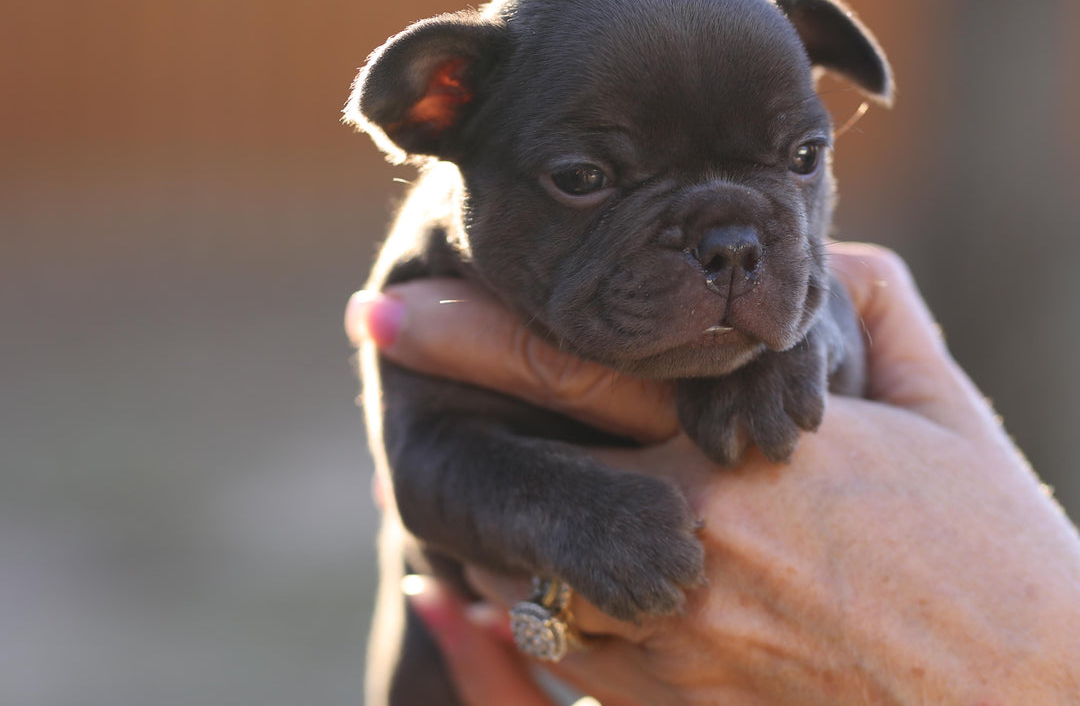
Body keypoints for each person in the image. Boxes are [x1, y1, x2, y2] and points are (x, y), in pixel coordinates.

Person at [345, 243, 1080, 705]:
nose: (726, 249)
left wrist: (802, 336)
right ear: (441, 104)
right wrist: (582, 518)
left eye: (796, 157)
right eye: (587, 179)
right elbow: (429, 473)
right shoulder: (433, 275)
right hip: (471, 659)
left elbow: (842, 368)